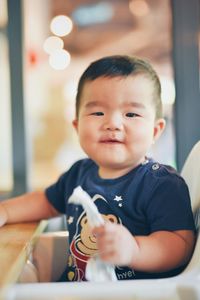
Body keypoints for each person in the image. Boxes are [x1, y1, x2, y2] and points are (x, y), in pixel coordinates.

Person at [0, 55, 195, 281]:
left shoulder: (161, 183)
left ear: (155, 131)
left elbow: (181, 244)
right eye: (97, 113)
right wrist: (6, 211)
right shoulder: (79, 173)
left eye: (131, 114)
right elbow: (45, 201)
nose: (112, 123)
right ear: (77, 126)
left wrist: (134, 250)